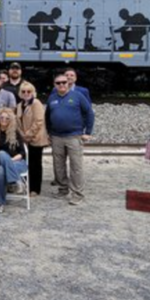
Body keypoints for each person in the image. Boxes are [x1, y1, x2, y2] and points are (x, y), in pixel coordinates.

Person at [46, 71, 94, 205]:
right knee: (58, 165)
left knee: (76, 166)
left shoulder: (78, 96)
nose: (61, 85)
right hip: (56, 137)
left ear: (68, 83)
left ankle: (78, 194)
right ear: (54, 85)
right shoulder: (52, 98)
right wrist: (48, 133)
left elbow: (89, 113)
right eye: (58, 83)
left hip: (74, 136)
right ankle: (63, 189)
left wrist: (88, 132)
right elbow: (47, 117)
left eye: (64, 82)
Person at [0, 108, 26, 214]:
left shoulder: (15, 133)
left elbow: (22, 153)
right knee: (1, 155)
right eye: (1, 117)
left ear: (11, 120)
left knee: (1, 170)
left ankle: (0, 204)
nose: (4, 119)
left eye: (7, 118)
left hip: (18, 163)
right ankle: (15, 180)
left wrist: (10, 161)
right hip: (0, 162)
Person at [16, 81, 49, 196]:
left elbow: (39, 121)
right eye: (23, 91)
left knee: (35, 164)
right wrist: (22, 135)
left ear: (33, 92)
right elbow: (18, 122)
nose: (26, 93)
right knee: (27, 163)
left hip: (36, 138)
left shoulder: (36, 103)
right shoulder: (20, 105)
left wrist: (28, 135)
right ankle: (27, 185)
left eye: (28, 91)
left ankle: (35, 189)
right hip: (25, 139)